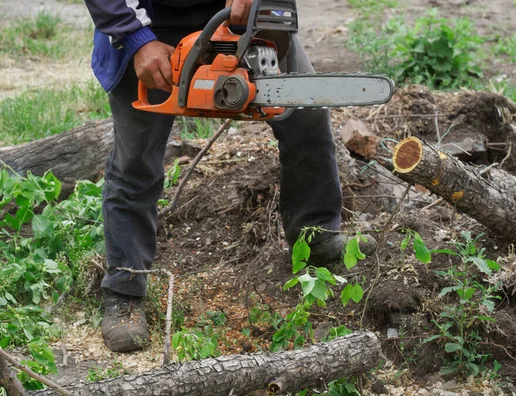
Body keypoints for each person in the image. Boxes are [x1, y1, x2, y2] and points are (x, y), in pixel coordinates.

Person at [83, 0, 377, 353]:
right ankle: (124, 289)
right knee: (136, 158)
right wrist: (135, 38)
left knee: (306, 115)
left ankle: (316, 235)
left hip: (236, 11)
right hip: (149, 19)